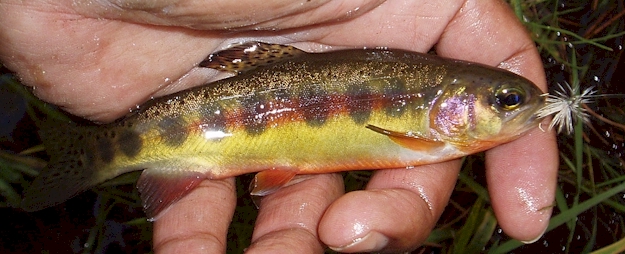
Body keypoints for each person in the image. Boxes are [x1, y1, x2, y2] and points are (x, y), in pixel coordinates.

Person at [0, 0, 558, 252]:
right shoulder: (430, 140)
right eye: (506, 100)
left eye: (507, 100)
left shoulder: (433, 124)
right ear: (450, 106)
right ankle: (86, 160)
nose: (518, 107)